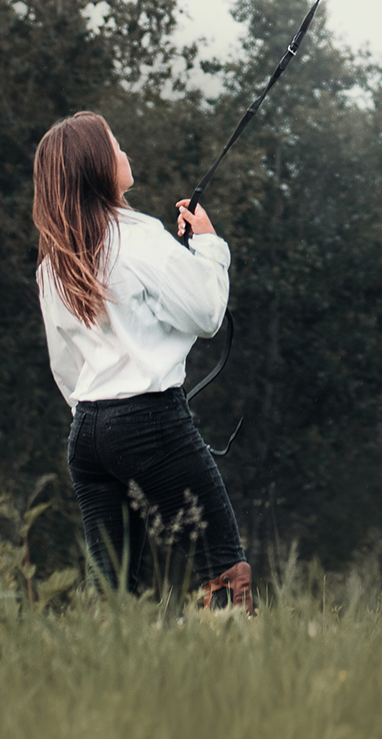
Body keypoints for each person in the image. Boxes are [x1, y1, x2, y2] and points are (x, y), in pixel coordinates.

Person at [30, 110, 252, 612]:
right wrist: (209, 245)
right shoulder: (139, 237)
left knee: (116, 593)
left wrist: (102, 419)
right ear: (96, 166)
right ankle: (234, 677)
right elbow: (207, 312)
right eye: (115, 144)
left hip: (86, 433)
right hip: (151, 421)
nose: (125, 152)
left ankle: (108, 682)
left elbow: (65, 366)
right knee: (223, 567)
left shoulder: (54, 264)